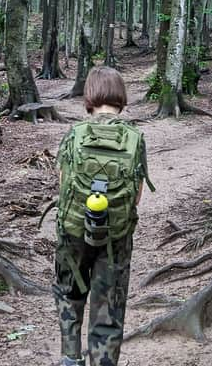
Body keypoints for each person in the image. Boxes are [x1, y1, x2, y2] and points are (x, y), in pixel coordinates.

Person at [53, 66, 154, 366]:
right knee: (108, 307)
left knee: (69, 294)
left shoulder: (74, 134)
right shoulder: (135, 138)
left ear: (90, 96)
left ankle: (70, 358)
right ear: (121, 97)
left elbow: (62, 185)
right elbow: (136, 195)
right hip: (116, 237)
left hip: (72, 234)